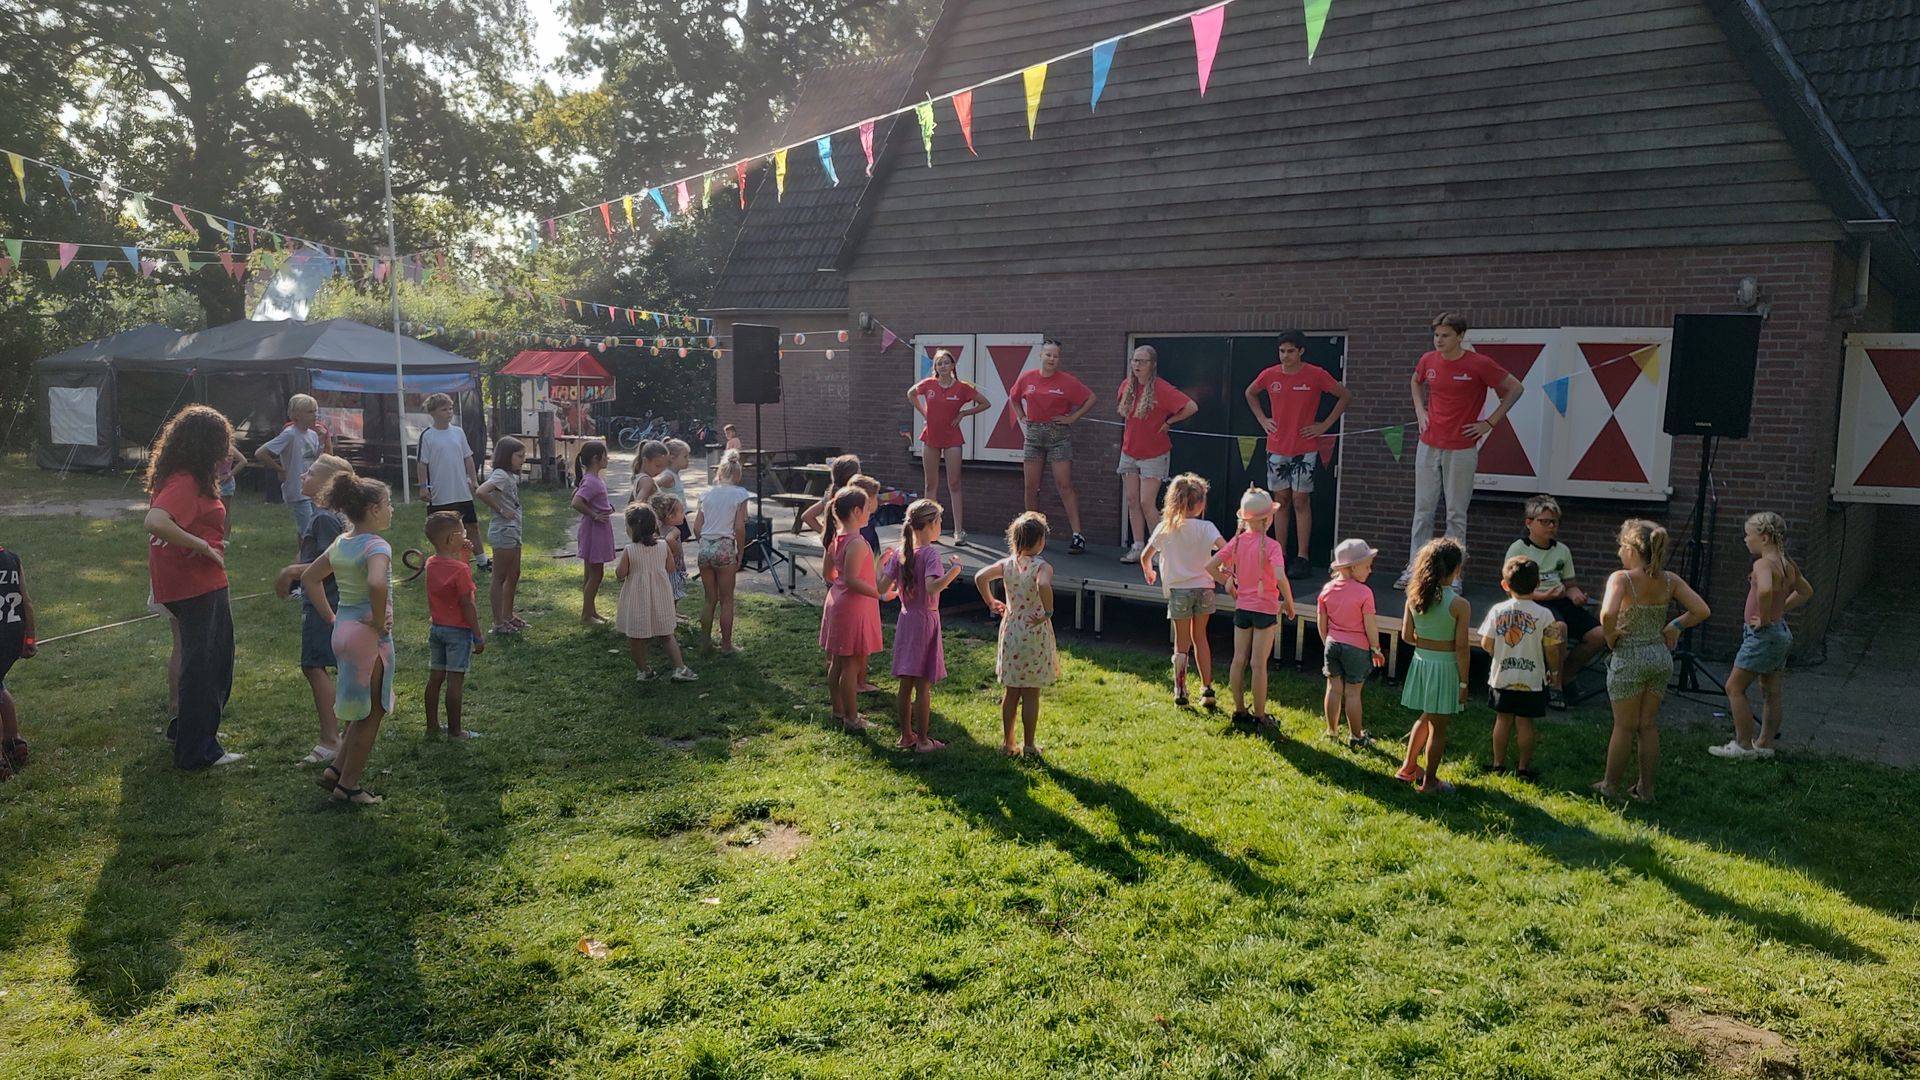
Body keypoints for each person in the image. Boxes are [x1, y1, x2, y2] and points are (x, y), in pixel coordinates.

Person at [144, 405, 244, 770]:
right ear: (205, 443)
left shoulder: (182, 477)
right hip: (196, 585)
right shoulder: (185, 480)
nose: (227, 451)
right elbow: (155, 521)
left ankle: (189, 734)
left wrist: (201, 542)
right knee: (209, 666)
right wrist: (201, 546)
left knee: (202, 662)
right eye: (222, 442)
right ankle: (198, 751)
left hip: (190, 583)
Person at [1399, 313, 1524, 588]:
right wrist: (1420, 410)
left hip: (1461, 448)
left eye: (1445, 335)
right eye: (1436, 335)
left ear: (1460, 336)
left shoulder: (1479, 364)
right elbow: (1415, 380)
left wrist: (1489, 422)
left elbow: (1515, 388)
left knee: (1455, 514)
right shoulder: (1428, 360)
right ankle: (1415, 570)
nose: (1439, 340)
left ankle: (1453, 575)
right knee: (1423, 510)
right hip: (1429, 443)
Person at [1593, 519, 1711, 803]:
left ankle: (1610, 786)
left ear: (1631, 550)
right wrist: (1675, 626)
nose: (1619, 553)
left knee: (1624, 726)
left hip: (1630, 658)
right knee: (1647, 724)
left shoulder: (1621, 578)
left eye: (1621, 547)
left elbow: (1607, 614)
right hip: (1659, 657)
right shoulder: (1670, 580)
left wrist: (1610, 635)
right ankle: (1646, 790)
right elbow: (1701, 610)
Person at [303, 473, 396, 805]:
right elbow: (376, 583)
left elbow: (309, 578)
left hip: (343, 632)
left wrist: (331, 617)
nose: (392, 509)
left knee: (358, 708)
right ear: (373, 510)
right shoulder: (376, 545)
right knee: (372, 712)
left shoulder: (341, 542)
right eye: (388, 504)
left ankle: (336, 771)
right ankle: (349, 787)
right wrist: (378, 620)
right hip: (367, 639)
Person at [1245, 330, 1352, 577]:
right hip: (1277, 447)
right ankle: (1280, 554)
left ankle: (1303, 557)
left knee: (1301, 500)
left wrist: (1324, 426)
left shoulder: (1316, 374)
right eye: (1282, 351)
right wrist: (1262, 419)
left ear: (1301, 351)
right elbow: (1250, 392)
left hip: (1305, 448)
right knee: (1280, 500)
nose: (1285, 356)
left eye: (1291, 351)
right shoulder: (1270, 375)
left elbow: (1345, 395)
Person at [272, 453, 356, 765]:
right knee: (339, 667)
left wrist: (291, 572)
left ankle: (330, 740)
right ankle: (347, 733)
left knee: (313, 665)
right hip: (337, 602)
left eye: (310, 473)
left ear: (327, 483)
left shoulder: (323, 518)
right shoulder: (333, 515)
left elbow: (331, 562)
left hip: (325, 603)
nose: (302, 475)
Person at [1711, 511, 1812, 761]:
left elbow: (1765, 590)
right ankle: (1765, 744)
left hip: (1763, 635)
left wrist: (1765, 617)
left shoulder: (1763, 564)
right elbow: (1806, 591)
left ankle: (1743, 745)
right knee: (1771, 691)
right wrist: (1781, 609)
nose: (1746, 539)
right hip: (1780, 633)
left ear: (1764, 537)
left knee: (1734, 687)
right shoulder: (1787, 564)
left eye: (1749, 535)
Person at [1506, 495, 1605, 710]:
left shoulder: (1562, 550)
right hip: (1532, 602)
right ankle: (1555, 686)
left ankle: (1566, 675)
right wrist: (1543, 596)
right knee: (1559, 629)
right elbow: (1511, 589)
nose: (1551, 526)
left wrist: (1576, 595)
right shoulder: (1518, 549)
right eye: (1544, 521)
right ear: (1529, 523)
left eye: (1554, 522)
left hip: (1559, 600)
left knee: (1599, 634)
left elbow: (1570, 584)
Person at [1208, 487, 1295, 727]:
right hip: (1265, 610)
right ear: (1268, 519)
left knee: (1238, 660)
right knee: (1258, 665)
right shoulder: (1272, 546)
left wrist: (1227, 583)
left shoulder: (1237, 542)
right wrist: (1288, 601)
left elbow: (1211, 566)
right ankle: (1259, 715)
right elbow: (1279, 576)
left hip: (1243, 608)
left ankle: (1238, 710)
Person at [882, 498, 964, 750]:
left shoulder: (901, 552)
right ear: (930, 524)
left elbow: (881, 587)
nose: (941, 526)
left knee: (905, 683)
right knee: (922, 685)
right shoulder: (930, 554)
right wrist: (954, 571)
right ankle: (923, 740)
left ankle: (906, 736)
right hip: (925, 621)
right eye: (940, 521)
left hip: (906, 620)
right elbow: (932, 587)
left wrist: (883, 567)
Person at [976, 511, 1059, 755]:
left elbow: (981, 577)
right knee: (1031, 692)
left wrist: (991, 601)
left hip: (1012, 628)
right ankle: (1029, 745)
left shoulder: (1007, 564)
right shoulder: (1042, 566)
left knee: (1011, 691)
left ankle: (1008, 743)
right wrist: (1048, 611)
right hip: (1034, 630)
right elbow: (1043, 584)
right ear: (1040, 540)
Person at [1140, 473, 1222, 707]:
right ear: (1201, 503)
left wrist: (1149, 571)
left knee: (1181, 642)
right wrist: (1224, 570)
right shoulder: (1207, 527)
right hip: (1205, 589)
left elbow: (1146, 556)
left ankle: (1181, 690)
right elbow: (1225, 550)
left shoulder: (1166, 528)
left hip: (1179, 591)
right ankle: (1207, 689)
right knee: (1201, 637)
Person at [1480, 556, 1563, 781]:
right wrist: (1554, 672)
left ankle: (1498, 764)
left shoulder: (1497, 610)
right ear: (1538, 584)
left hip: (1502, 676)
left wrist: (1497, 653)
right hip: (1532, 678)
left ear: (1505, 585)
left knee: (1502, 720)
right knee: (1525, 722)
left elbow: (1486, 642)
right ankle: (1523, 768)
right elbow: (1552, 648)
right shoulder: (1545, 615)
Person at [1397, 538, 1470, 793]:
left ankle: (1408, 768)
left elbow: (1406, 635)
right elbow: (1462, 647)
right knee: (1439, 728)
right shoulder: (1459, 604)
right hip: (1445, 667)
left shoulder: (1413, 597)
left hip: (1421, 663)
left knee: (1427, 715)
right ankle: (1429, 783)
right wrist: (1464, 682)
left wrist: (1427, 643)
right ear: (1456, 569)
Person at [1009, 340, 1094, 554]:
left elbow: (1090, 398)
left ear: (1059, 359)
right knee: (1031, 486)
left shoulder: (1067, 381)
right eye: (1048, 354)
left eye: (1055, 356)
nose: (1051, 359)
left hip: (1059, 435)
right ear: (1041, 356)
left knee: (1064, 484)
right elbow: (1014, 397)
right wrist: (1021, 416)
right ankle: (1031, 534)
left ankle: (1078, 535)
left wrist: (1073, 417)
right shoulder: (1027, 378)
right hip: (1034, 434)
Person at [1117, 345, 1198, 564]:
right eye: (1135, 360)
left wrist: (1169, 422)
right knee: (1132, 500)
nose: (1137, 365)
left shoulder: (1162, 388)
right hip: (1129, 451)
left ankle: (1160, 549)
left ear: (1152, 365)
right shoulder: (1126, 386)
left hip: (1154, 453)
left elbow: (1191, 406)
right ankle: (1137, 546)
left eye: (1142, 361)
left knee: (1146, 502)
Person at [820, 486, 889, 731]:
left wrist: (877, 565)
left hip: (836, 602)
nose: (871, 511)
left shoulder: (835, 538)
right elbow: (852, 580)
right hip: (853, 607)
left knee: (837, 662)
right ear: (857, 511)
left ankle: (838, 711)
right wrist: (879, 593)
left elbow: (829, 574)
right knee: (851, 666)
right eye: (868, 507)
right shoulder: (857, 543)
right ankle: (852, 718)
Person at [907, 350, 989, 544]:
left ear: (952, 365)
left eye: (946, 362)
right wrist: (924, 413)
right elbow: (911, 394)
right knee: (930, 484)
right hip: (931, 437)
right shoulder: (929, 384)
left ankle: (958, 530)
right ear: (935, 367)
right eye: (939, 363)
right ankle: (928, 529)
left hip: (952, 438)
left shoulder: (962, 388)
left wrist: (963, 414)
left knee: (954, 483)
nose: (943, 366)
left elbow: (985, 403)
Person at [617, 502, 697, 683]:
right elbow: (670, 568)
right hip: (661, 596)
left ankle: (644, 670)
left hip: (637, 599)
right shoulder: (662, 546)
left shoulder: (630, 550)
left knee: (636, 637)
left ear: (631, 528)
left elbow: (620, 574)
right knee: (667, 634)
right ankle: (680, 668)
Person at [423, 511, 487, 739]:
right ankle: (455, 731)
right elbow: (467, 604)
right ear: (451, 539)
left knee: (436, 678)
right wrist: (478, 636)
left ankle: (432, 726)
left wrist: (464, 555)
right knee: (455, 681)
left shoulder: (431, 563)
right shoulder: (461, 570)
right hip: (458, 632)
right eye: (462, 532)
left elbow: (452, 573)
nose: (466, 535)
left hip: (437, 629)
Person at [1317, 538, 1384, 747]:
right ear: (1353, 567)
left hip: (1332, 644)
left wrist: (1326, 641)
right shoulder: (1365, 593)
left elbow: (1321, 621)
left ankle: (1332, 731)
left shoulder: (1327, 589)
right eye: (1367, 566)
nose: (1370, 570)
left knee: (1333, 688)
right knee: (1353, 693)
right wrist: (1376, 648)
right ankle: (1356, 737)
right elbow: (1370, 625)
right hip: (1357, 648)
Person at [416, 392, 488, 571]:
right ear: (432, 412)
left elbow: (468, 457)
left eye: (450, 409)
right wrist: (423, 487)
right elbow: (422, 463)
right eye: (444, 409)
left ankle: (482, 560)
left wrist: (473, 480)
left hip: (461, 490)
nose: (449, 412)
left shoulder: (458, 432)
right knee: (442, 530)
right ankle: (444, 562)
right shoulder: (427, 436)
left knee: (472, 525)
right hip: (440, 492)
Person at [694, 451, 753, 654]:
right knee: (727, 599)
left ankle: (705, 643)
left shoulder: (706, 493)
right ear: (738, 475)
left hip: (705, 547)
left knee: (709, 599)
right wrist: (741, 551)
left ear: (718, 474)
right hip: (725, 546)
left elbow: (697, 527)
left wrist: (705, 543)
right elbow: (739, 527)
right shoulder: (740, 494)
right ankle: (726, 645)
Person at [255, 393, 326, 554]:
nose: (315, 415)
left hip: (311, 488)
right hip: (296, 488)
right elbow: (261, 453)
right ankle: (307, 557)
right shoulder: (290, 434)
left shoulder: (313, 435)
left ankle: (303, 555)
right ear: (297, 415)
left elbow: (315, 460)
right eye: (310, 412)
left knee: (312, 524)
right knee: (308, 528)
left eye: (315, 411)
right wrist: (280, 469)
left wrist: (321, 441)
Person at [474, 436, 527, 634]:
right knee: (499, 576)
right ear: (507, 456)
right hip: (503, 531)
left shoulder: (508, 476)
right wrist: (501, 510)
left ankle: (508, 615)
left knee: (514, 574)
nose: (523, 460)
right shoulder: (501, 475)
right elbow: (481, 491)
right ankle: (498, 622)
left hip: (513, 530)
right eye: (519, 456)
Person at [0, 542, 37, 780]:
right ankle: (14, 741)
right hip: (13, 637)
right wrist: (29, 638)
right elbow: (27, 602)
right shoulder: (12, 559)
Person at [570, 440, 616, 624]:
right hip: (595, 531)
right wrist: (595, 515)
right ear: (597, 458)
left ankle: (591, 611)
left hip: (595, 530)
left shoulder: (591, 479)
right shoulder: (592, 481)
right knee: (596, 574)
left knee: (591, 573)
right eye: (605, 455)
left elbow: (577, 496)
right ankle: (586, 615)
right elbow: (576, 502)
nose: (608, 458)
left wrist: (603, 508)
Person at [648, 491, 690, 604]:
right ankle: (671, 613)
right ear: (671, 517)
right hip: (673, 570)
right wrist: (675, 552)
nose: (684, 515)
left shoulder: (657, 529)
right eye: (681, 512)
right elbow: (669, 539)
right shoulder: (674, 530)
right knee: (673, 596)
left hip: (660, 568)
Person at [215, 442, 247, 539]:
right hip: (216, 481)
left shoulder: (229, 448)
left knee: (225, 511)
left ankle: (225, 537)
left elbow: (243, 461)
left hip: (225, 482)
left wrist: (229, 474)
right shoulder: (212, 446)